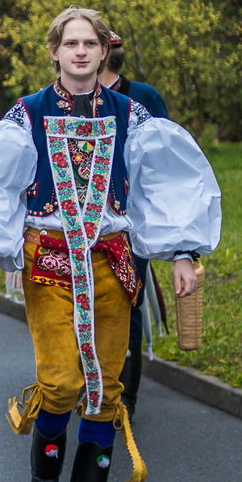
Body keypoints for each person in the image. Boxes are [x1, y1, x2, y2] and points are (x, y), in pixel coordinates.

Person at [0, 5, 220, 482]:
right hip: (49, 259)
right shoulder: (27, 113)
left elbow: (165, 181)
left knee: (104, 389)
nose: (79, 52)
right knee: (62, 382)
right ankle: (44, 475)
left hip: (111, 261)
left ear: (104, 50)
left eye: (89, 44)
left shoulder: (132, 114)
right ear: (54, 51)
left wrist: (183, 252)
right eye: (70, 43)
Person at [99, 33, 170, 415]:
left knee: (129, 300)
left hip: (130, 218)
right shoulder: (66, 97)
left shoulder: (144, 96)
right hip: (80, 221)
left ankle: (126, 395)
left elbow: (165, 154)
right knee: (85, 303)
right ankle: (90, 381)